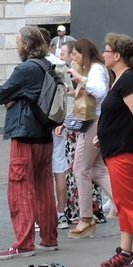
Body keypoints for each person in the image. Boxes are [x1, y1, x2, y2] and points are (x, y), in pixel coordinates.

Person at [0, 25, 59, 260]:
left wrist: (14, 97)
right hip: (44, 135)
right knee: (43, 188)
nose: (16, 45)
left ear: (27, 45)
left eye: (18, 41)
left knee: (20, 188)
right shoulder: (47, 66)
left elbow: (0, 93)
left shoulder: (26, 68)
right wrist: (19, 95)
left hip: (25, 134)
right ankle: (49, 239)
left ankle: (24, 243)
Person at [95, 34, 133, 267]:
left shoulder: (129, 80)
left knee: (132, 202)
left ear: (117, 55)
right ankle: (125, 250)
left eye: (107, 50)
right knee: (122, 201)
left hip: (126, 151)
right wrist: (104, 134)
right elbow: (119, 116)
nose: (104, 53)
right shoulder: (119, 78)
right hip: (115, 149)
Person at [65, 37, 112, 238]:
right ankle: (125, 202)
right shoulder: (95, 69)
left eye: (75, 53)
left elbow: (99, 91)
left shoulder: (95, 69)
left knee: (81, 169)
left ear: (84, 53)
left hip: (94, 121)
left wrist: (79, 78)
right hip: (97, 120)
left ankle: (86, 217)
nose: (74, 57)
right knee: (97, 169)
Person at [49, 36, 75, 225]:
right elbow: (70, 95)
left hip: (45, 122)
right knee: (59, 167)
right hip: (61, 118)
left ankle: (46, 213)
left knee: (44, 169)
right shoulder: (63, 67)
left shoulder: (40, 65)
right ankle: (60, 213)